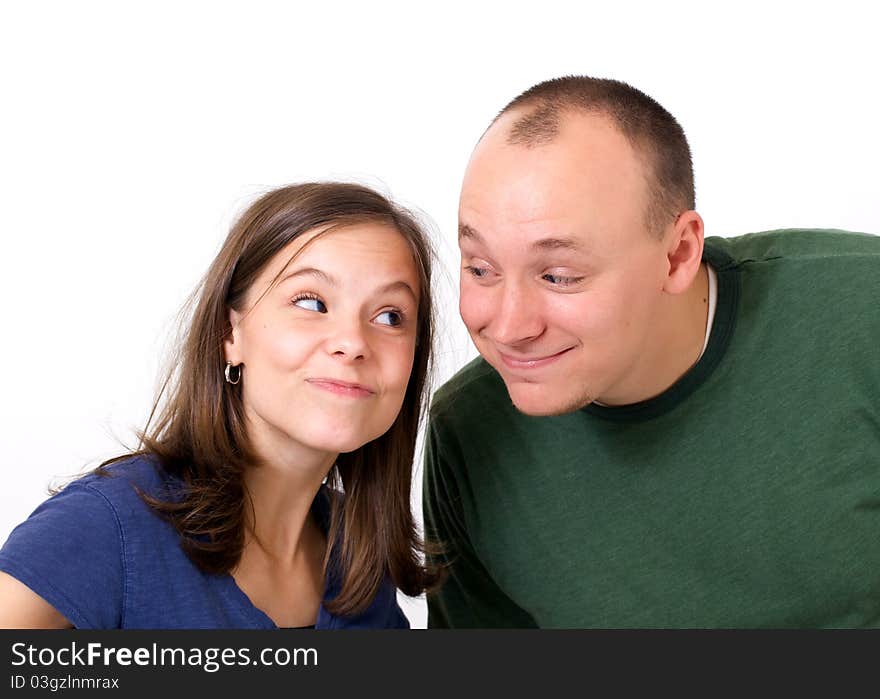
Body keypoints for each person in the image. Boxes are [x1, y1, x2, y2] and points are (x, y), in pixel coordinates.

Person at [423, 75, 880, 628]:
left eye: (559, 275)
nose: (509, 325)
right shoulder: (468, 433)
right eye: (480, 269)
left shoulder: (861, 314)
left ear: (678, 254)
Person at [0, 182, 439, 629]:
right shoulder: (106, 526)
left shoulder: (359, 565)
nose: (352, 342)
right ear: (231, 334)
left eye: (390, 316)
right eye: (312, 302)